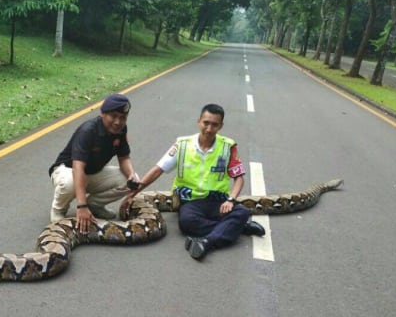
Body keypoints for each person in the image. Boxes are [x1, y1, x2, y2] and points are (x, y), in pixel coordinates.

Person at [123, 103, 264, 260]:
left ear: (221, 126)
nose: (209, 129)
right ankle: (237, 228)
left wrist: (231, 200)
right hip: (190, 202)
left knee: (242, 212)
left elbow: (239, 179)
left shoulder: (227, 147)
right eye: (206, 123)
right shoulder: (182, 145)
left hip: (218, 202)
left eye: (214, 125)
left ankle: (207, 242)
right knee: (187, 222)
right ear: (199, 122)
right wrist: (132, 194)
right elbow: (158, 170)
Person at [48, 93, 140, 233]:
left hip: (92, 172)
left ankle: (94, 206)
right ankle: (59, 209)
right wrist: (81, 206)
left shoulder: (120, 130)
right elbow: (77, 168)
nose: (117, 122)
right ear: (102, 113)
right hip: (66, 170)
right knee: (70, 183)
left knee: (128, 180)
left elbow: (124, 158)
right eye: (113, 116)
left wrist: (131, 175)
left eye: (122, 118)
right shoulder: (88, 130)